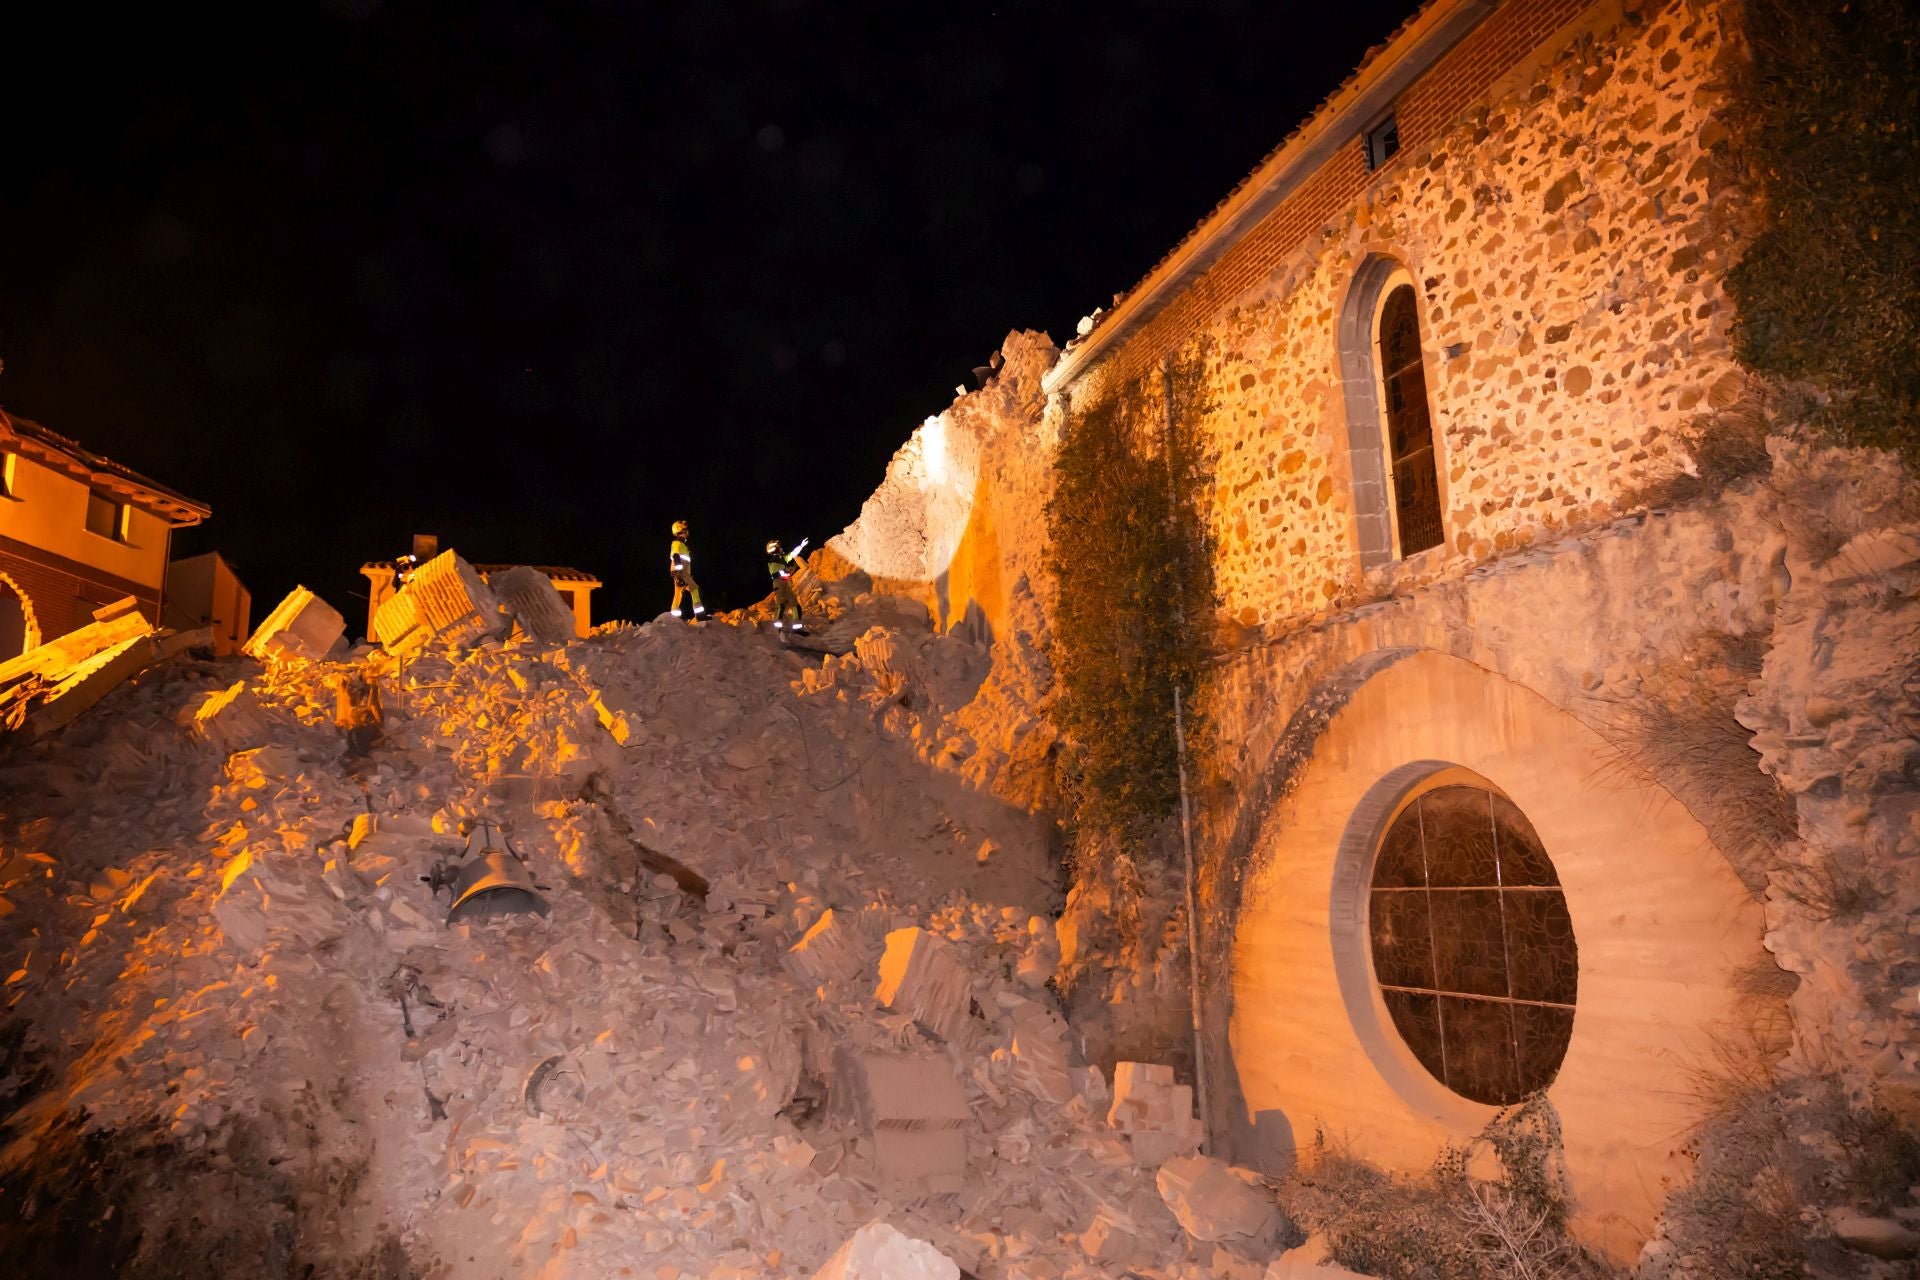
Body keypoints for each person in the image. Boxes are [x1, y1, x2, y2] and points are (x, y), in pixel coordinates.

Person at [764, 538, 808, 634]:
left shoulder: (782, 559)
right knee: (781, 605)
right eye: (779, 547)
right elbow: (777, 574)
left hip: (786, 584)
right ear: (775, 549)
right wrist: (788, 570)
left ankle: (797, 629)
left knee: (796, 606)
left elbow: (793, 554)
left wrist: (801, 546)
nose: (782, 549)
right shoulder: (773, 561)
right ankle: (777, 629)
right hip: (780, 584)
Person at [668, 520, 705, 620]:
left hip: (683, 573)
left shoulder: (684, 546)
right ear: (678, 531)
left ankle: (674, 618)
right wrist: (678, 575)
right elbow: (676, 557)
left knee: (679, 594)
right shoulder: (677, 543)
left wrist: (688, 575)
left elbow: (684, 562)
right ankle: (699, 615)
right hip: (680, 573)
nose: (687, 532)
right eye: (684, 530)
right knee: (694, 589)